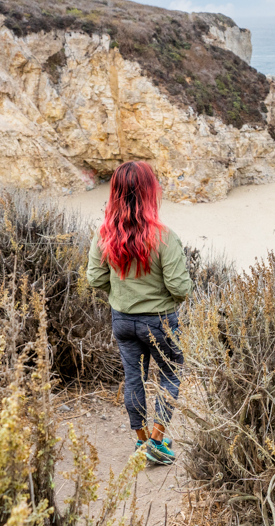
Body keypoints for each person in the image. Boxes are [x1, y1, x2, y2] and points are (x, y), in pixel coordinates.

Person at [86, 161, 192, 466]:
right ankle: (157, 442)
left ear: (116, 192)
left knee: (134, 379)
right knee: (171, 374)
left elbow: (94, 279)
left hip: (122, 321)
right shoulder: (164, 237)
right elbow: (180, 288)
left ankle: (141, 440)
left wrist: (122, 291)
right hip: (159, 321)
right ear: (149, 192)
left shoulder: (104, 234)